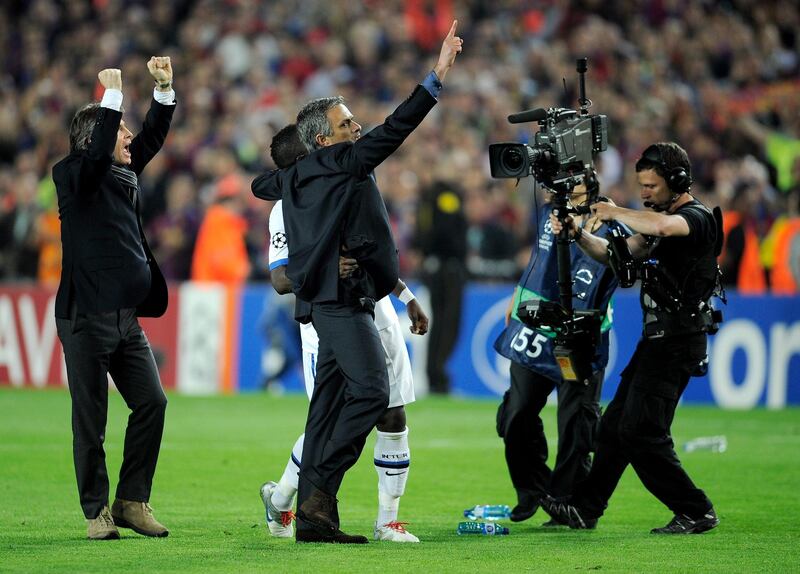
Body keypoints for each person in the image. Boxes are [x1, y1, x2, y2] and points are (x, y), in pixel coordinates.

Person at [251, 22, 462, 543]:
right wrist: (434, 78)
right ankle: (321, 482)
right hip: (338, 306)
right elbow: (398, 127)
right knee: (372, 394)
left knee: (325, 409)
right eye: (348, 125)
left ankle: (315, 518)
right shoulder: (342, 163)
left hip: (355, 299)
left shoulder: (303, 176)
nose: (359, 130)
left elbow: (263, 182)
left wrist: (397, 290)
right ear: (326, 140)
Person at [258, 122, 429, 544]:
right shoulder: (287, 205)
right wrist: (322, 268)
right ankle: (282, 498)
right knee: (332, 417)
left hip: (377, 306)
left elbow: (371, 251)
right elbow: (281, 278)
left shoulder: (350, 181)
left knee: (393, 411)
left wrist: (405, 295)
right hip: (328, 316)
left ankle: (387, 521)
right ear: (305, 160)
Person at [543, 142, 722, 534]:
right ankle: (585, 508)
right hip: (657, 340)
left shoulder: (697, 217)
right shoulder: (657, 224)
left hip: (678, 340)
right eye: (640, 186)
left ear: (676, 181)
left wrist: (614, 211)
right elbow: (615, 253)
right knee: (614, 427)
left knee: (641, 432)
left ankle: (696, 509)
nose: (644, 193)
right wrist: (576, 233)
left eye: (651, 187)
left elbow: (661, 226)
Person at [53, 58, 176, 540]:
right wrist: (111, 99)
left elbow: (151, 138)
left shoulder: (121, 174)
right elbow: (103, 147)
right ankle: (95, 511)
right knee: (92, 419)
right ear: (95, 138)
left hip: (126, 319)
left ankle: (131, 501)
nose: (129, 137)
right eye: (120, 128)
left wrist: (164, 90)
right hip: (85, 316)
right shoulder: (72, 177)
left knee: (153, 402)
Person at [493, 182, 618, 525]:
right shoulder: (549, 213)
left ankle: (567, 503)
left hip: (582, 333)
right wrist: (517, 293)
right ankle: (533, 490)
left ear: (586, 179)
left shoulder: (611, 222)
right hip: (534, 326)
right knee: (516, 415)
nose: (550, 185)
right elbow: (541, 259)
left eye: (563, 178)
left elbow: (615, 268)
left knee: (576, 423)